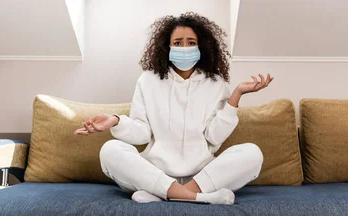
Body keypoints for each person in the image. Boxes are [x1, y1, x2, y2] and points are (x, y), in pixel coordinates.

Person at [74, 12, 273, 205]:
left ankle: (167, 195)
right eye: (178, 43)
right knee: (110, 150)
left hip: (202, 175)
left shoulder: (216, 84)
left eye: (191, 42)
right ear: (167, 46)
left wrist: (236, 94)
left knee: (253, 154)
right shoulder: (148, 81)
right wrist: (116, 120)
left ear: (201, 46)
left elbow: (214, 137)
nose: (184, 47)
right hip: (155, 173)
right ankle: (195, 198)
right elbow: (142, 133)